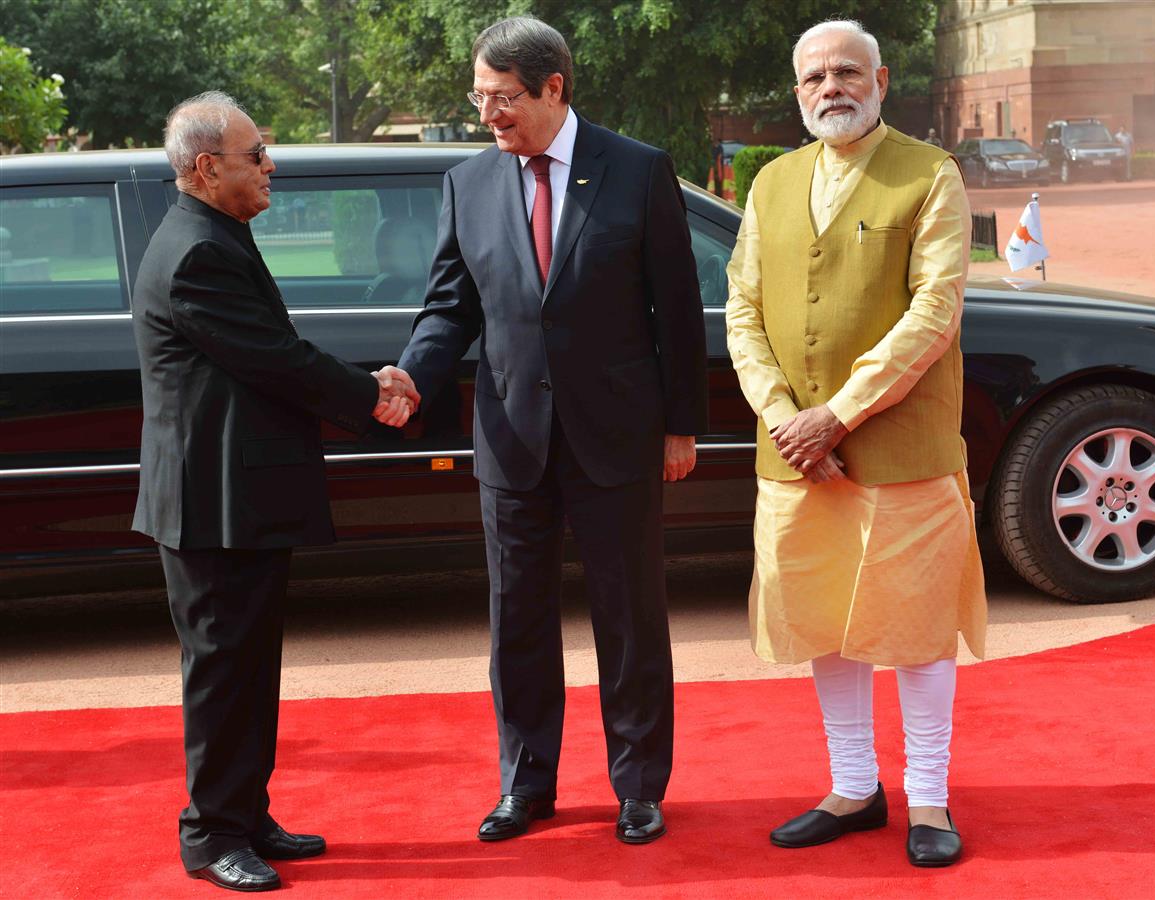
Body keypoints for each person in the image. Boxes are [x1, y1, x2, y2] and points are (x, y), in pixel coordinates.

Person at [394, 16, 707, 845]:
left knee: (630, 619)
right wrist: (411, 380)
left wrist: (682, 425)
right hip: (510, 440)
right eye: (479, 97)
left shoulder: (636, 171)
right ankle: (525, 785)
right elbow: (449, 308)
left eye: (501, 98)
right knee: (517, 622)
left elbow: (674, 310)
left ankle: (639, 786)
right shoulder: (469, 183)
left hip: (617, 436)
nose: (487, 114)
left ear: (553, 88)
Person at [132, 91, 419, 892]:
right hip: (210, 503)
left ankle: (244, 816)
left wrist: (360, 386)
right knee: (224, 673)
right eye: (256, 154)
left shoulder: (216, 234)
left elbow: (276, 353)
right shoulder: (197, 252)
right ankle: (211, 834)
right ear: (205, 166)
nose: (271, 165)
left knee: (248, 669)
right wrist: (369, 395)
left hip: (235, 497)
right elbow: (276, 361)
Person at [725, 19, 987, 868]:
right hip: (797, 459)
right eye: (813, 77)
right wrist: (785, 421)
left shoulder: (930, 174)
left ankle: (930, 798)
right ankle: (852, 786)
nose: (830, 87)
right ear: (797, 91)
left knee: (914, 631)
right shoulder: (770, 182)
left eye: (847, 71)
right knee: (823, 625)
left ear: (881, 79)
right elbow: (742, 313)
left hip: (900, 450)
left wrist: (835, 416)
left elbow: (934, 311)